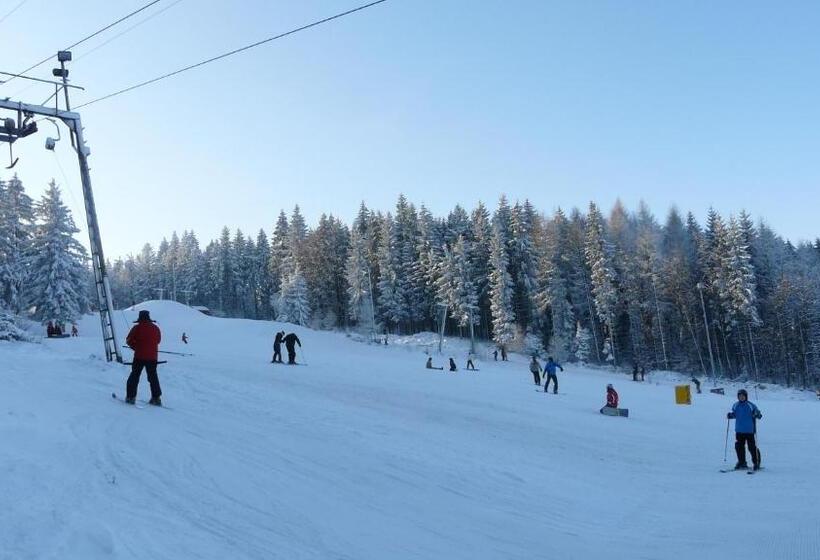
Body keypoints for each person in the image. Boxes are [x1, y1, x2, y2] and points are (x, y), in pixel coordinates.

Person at [125, 310, 163, 406]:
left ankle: (131, 397)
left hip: (139, 356)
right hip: (153, 357)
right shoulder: (156, 328)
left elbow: (128, 340)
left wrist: (136, 347)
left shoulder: (136, 328)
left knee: (134, 376)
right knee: (153, 377)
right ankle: (156, 398)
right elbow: (158, 340)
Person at [727, 389, 762, 470]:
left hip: (749, 431)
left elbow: (759, 415)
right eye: (740, 396)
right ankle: (742, 462)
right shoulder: (736, 405)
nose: (741, 397)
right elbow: (735, 414)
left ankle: (756, 462)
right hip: (739, 430)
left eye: (743, 396)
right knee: (739, 446)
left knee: (751, 447)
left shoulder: (751, 405)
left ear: (746, 397)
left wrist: (756, 414)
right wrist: (730, 415)